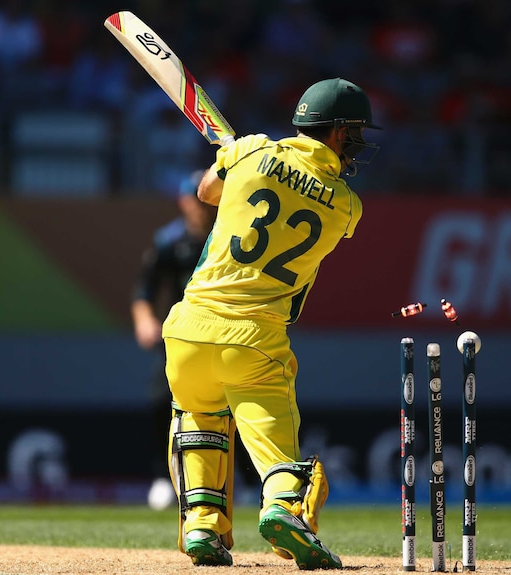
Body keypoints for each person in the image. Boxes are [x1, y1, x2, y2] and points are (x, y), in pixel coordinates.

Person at [161, 77, 380, 569]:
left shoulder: (251, 150)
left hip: (188, 326)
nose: (359, 143)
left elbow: (207, 193)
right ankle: (283, 508)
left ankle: (201, 527)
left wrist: (234, 157)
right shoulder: (346, 207)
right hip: (255, 337)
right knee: (276, 448)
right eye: (357, 132)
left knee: (199, 421)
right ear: (340, 133)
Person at [131, 169, 217, 511]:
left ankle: (238, 480)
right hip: (181, 334)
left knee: (232, 405)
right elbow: (145, 288)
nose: (204, 206)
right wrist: (144, 319)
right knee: (160, 400)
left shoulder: (230, 237)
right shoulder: (170, 241)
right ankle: (162, 477)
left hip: (222, 332)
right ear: (184, 201)